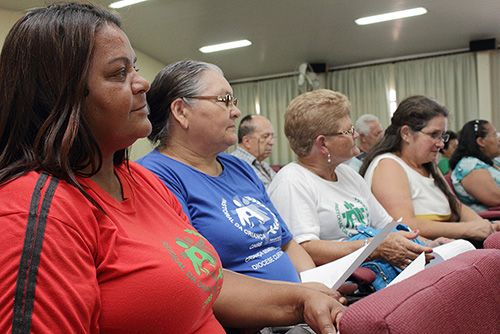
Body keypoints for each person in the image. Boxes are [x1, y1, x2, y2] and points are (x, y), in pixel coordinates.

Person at [0, 4, 344, 334]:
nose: (142, 84)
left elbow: (206, 279)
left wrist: (301, 299)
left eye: (134, 68)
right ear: (62, 95)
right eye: (119, 73)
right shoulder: (36, 213)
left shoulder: (140, 181)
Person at [267, 90, 435, 276]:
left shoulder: (347, 174)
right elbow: (304, 249)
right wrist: (372, 248)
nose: (355, 134)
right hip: (345, 284)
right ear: (322, 144)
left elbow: (386, 226)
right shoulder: (292, 181)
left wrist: (430, 244)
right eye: (348, 130)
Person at [360, 96, 500, 241]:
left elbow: (457, 207)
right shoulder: (388, 165)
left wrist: (484, 226)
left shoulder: (428, 165)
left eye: (442, 136)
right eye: (434, 135)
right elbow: (402, 224)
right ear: (406, 133)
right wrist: (467, 229)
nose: (440, 144)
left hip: (450, 244)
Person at [449, 120, 500, 211]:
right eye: (495, 135)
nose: (499, 139)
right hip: (490, 221)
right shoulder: (470, 166)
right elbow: (495, 198)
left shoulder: (492, 161)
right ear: (481, 141)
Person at [231, 114, 276, 188]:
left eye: (272, 137)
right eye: (265, 136)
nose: (271, 142)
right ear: (247, 141)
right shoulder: (235, 165)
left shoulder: (263, 164)